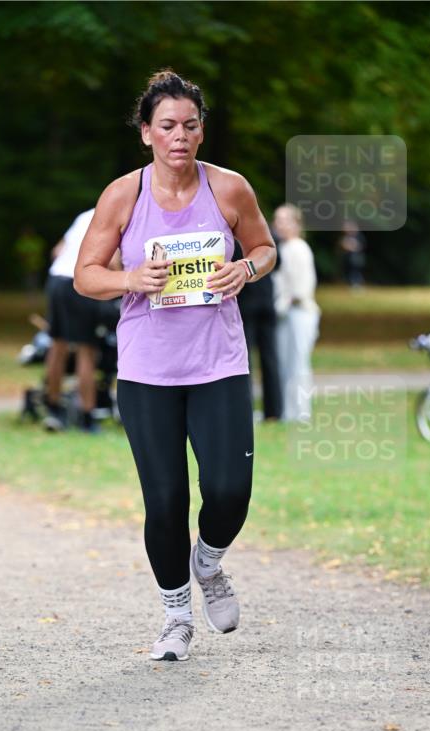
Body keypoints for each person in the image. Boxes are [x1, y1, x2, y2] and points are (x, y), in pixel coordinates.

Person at [74, 69, 276, 661]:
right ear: (146, 134)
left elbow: (265, 248)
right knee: (164, 501)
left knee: (230, 489)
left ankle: (208, 563)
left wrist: (248, 270)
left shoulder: (230, 190)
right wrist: (130, 278)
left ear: (202, 132)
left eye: (190, 125)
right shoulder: (123, 195)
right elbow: (86, 276)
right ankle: (176, 615)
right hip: (147, 372)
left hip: (218, 363)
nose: (179, 136)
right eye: (167, 126)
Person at [43, 209, 105, 433]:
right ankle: (87, 416)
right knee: (86, 349)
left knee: (57, 345)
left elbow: (57, 250)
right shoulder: (119, 212)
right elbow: (116, 260)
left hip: (57, 279)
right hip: (81, 281)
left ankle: (53, 407)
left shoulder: (84, 215)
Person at [272, 203, 320, 422]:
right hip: (284, 314)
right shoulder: (281, 248)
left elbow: (301, 289)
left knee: (298, 363)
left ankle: (300, 412)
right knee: (284, 362)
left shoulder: (299, 248)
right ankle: (285, 410)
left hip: (300, 313)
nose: (279, 224)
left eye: (284, 220)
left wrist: (283, 303)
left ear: (296, 223)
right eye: (277, 219)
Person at [236, 235, 283, 420]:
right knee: (270, 359)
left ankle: (249, 409)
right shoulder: (268, 237)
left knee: (246, 362)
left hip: (248, 305)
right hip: (266, 302)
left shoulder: (232, 238)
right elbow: (277, 264)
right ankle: (274, 411)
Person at [338, 219, 366, 288]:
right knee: (349, 272)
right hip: (348, 259)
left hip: (356, 259)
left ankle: (357, 284)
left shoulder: (359, 236)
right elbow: (342, 245)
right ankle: (352, 284)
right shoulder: (346, 237)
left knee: (355, 272)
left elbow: (360, 247)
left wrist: (350, 246)